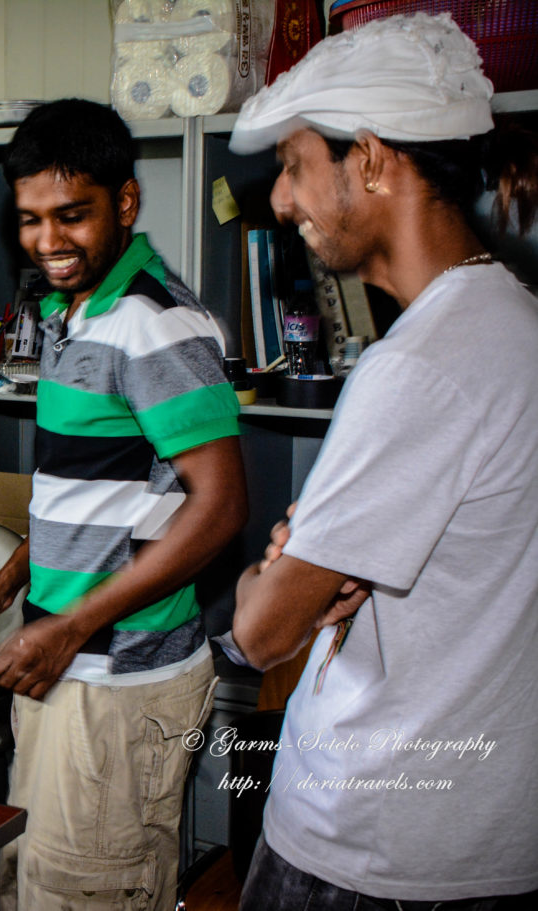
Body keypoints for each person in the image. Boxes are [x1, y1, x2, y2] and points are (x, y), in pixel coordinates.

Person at [229, 14, 538, 909]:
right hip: (481, 831)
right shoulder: (515, 323)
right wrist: (317, 562)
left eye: (292, 165)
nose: (280, 200)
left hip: (372, 854)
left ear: (368, 158)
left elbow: (262, 632)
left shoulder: (418, 367)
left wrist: (277, 569)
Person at [0, 98, 247, 910]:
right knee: (32, 881)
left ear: (125, 202)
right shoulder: (67, 312)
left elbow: (218, 508)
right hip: (67, 663)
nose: (48, 242)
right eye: (31, 220)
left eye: (71, 216)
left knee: (88, 892)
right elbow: (85, 493)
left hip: (119, 682)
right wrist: (10, 582)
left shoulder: (152, 322)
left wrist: (73, 625)